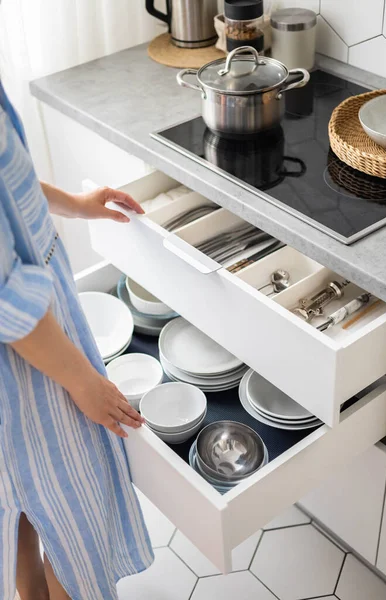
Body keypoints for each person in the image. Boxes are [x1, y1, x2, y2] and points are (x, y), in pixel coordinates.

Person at [0, 78, 154, 600]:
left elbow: (8, 186)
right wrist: (83, 381)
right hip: (27, 355)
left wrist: (76, 204)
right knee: (72, 522)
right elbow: (7, 300)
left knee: (18, 516)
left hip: (31, 335)